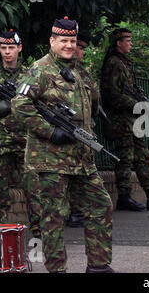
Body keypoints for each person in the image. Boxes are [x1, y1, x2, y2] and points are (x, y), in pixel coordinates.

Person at [11, 17, 115, 273]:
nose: (69, 46)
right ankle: (57, 270)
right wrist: (50, 132)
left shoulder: (79, 70)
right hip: (49, 160)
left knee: (100, 205)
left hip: (81, 160)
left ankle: (99, 267)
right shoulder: (40, 69)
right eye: (64, 41)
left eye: (72, 41)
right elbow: (19, 106)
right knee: (54, 218)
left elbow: (89, 109)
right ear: (52, 41)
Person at [100, 28, 149, 212]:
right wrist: (138, 104)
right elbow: (112, 95)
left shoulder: (124, 64)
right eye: (128, 40)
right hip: (120, 121)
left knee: (142, 157)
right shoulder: (114, 63)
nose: (131, 44)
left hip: (131, 121)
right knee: (125, 159)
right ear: (119, 43)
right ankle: (124, 197)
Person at [0, 29, 41, 238]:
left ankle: (41, 235)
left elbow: (39, 105)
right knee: (0, 193)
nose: (7, 52)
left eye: (11, 48)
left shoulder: (30, 75)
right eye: (3, 48)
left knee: (34, 189)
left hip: (25, 142)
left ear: (19, 48)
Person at [65, 32, 94, 228]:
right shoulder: (54, 70)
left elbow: (94, 98)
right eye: (80, 47)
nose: (81, 51)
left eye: (82, 47)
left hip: (85, 129)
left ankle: (81, 210)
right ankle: (74, 212)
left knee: (84, 171)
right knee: (71, 173)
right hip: (67, 129)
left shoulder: (82, 71)